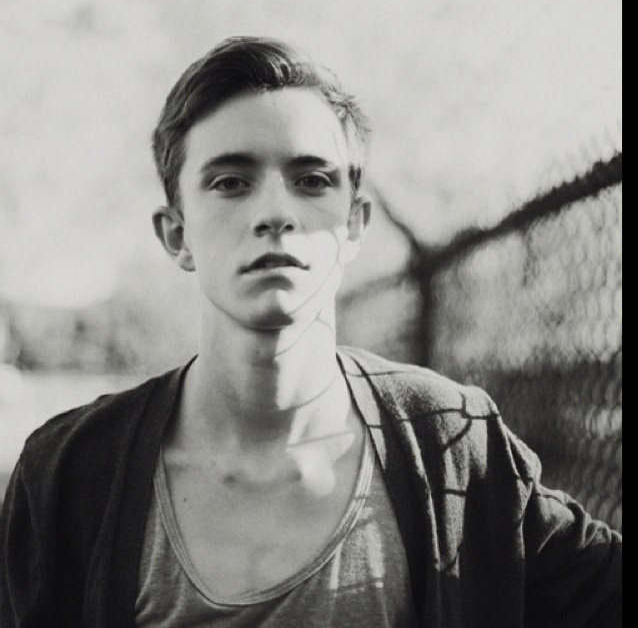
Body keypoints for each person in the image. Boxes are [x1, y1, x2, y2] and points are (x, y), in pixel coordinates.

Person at [0, 36, 621, 628]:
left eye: (312, 180)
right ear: (176, 234)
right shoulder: (69, 473)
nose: (275, 212)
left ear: (354, 224)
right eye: (230, 182)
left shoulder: (452, 445)